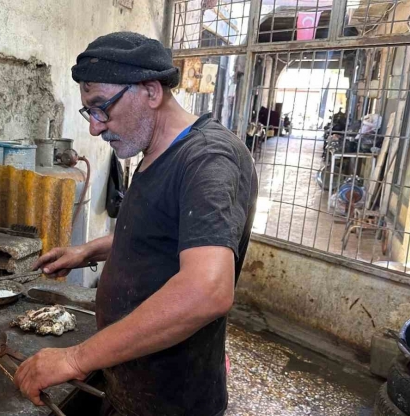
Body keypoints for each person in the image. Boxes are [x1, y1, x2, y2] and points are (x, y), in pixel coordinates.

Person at [14, 32, 258, 416]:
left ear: (150, 91)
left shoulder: (207, 160)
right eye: (89, 112)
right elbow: (160, 232)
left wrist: (76, 359)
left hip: (169, 398)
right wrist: (87, 251)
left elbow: (207, 289)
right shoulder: (155, 151)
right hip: (129, 375)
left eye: (101, 108)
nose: (95, 127)